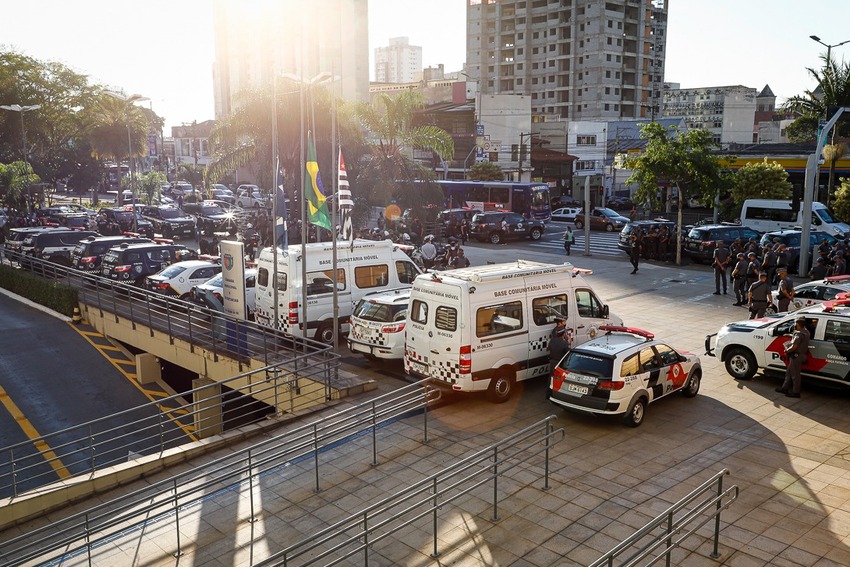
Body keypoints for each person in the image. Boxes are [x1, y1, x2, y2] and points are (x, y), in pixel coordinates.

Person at [776, 316, 810, 398]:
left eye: (795, 323)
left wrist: (787, 350)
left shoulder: (799, 334)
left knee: (795, 375)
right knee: (789, 372)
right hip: (801, 355)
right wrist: (791, 335)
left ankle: (796, 392)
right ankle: (785, 388)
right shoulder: (806, 332)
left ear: (797, 324)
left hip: (796, 356)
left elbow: (794, 347)